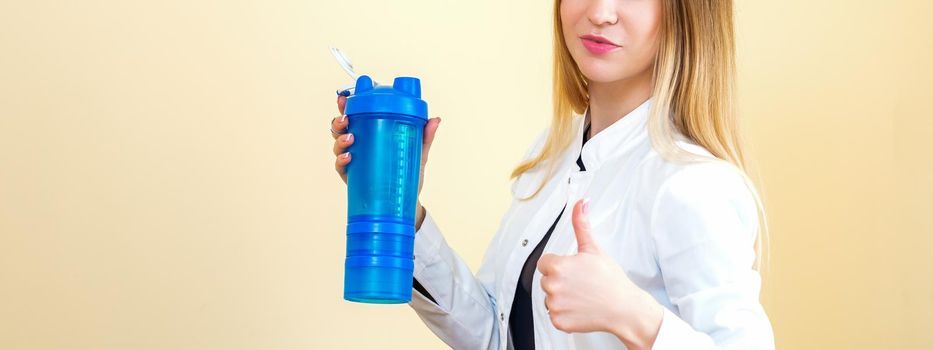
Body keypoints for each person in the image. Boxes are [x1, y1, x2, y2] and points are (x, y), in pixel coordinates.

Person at [329, 0, 774, 348]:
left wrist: (633, 316)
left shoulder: (691, 183)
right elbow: (494, 334)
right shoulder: (551, 154)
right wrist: (403, 208)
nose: (599, 13)